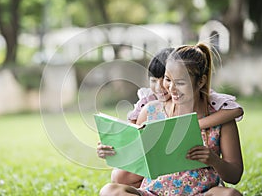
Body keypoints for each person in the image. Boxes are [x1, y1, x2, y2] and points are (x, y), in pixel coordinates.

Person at [97, 43, 243, 195]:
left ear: (201, 82)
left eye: (180, 82)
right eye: (167, 79)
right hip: (154, 192)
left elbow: (235, 176)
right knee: (109, 191)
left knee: (231, 194)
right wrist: (113, 150)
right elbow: (134, 160)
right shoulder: (151, 111)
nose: (171, 88)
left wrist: (213, 160)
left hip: (202, 192)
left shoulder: (221, 119)